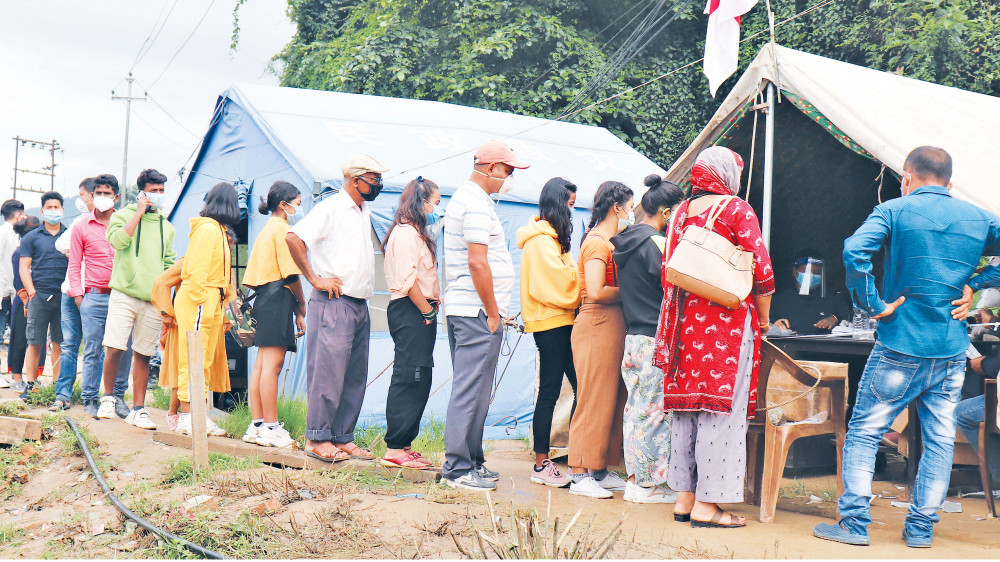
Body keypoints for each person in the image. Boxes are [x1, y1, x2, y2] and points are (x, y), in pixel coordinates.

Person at [813, 146, 1000, 548]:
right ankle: (920, 530)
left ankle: (854, 525)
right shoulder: (980, 217)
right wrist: (977, 284)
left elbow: (855, 250)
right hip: (950, 349)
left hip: (901, 343)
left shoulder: (893, 210)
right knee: (940, 440)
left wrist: (873, 304)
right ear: (950, 182)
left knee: (865, 432)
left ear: (906, 177)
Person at [654, 146, 774, 528]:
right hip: (726, 327)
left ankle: (685, 499)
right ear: (727, 176)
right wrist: (764, 320)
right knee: (721, 411)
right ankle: (708, 506)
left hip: (682, 328)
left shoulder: (679, 213)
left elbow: (669, 271)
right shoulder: (736, 209)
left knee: (687, 410)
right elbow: (762, 270)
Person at [286, 154, 389, 463]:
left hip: (358, 303)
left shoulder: (362, 210)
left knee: (354, 375)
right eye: (374, 178)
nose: (378, 184)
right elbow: (293, 237)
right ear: (355, 180)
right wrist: (313, 277)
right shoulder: (331, 208)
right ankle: (317, 439)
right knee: (327, 374)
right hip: (333, 301)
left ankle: (342, 437)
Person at [439, 140, 529, 491]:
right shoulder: (474, 203)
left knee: (478, 390)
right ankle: (457, 468)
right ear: (491, 168)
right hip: (476, 311)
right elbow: (477, 262)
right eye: (508, 170)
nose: (510, 178)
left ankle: (472, 460)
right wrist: (492, 313)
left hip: (474, 309)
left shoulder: (476, 200)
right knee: (469, 389)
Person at [612, 174, 685, 503]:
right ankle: (648, 486)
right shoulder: (658, 244)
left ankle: (634, 481)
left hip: (633, 340)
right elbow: (675, 289)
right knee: (655, 413)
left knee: (636, 411)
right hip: (656, 339)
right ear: (666, 213)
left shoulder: (625, 241)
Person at [565, 181, 633, 499]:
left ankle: (600, 470)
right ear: (616, 208)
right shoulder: (596, 244)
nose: (631, 213)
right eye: (629, 207)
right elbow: (595, 291)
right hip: (597, 322)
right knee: (593, 399)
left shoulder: (609, 242)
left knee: (611, 400)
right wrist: (633, 292)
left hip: (612, 324)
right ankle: (580, 474)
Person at [96, 169, 177, 421]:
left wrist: (165, 301)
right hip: (124, 293)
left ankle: (138, 409)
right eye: (153, 190)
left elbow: (168, 264)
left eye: (161, 190)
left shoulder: (166, 226)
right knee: (114, 348)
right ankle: (108, 399)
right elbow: (118, 242)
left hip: (151, 300)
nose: (158, 195)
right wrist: (138, 214)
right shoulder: (122, 215)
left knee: (143, 355)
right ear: (141, 193)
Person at [515, 177, 580, 488]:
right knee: (550, 393)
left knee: (580, 388)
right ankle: (542, 464)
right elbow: (558, 282)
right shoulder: (541, 241)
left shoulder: (552, 238)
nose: (572, 211)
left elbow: (568, 275)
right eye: (570, 204)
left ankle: (580, 460)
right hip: (551, 323)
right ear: (558, 204)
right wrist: (581, 277)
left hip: (561, 321)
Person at [52, 176, 133, 416]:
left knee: (122, 349)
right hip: (93, 296)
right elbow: (75, 264)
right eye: (98, 193)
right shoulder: (82, 226)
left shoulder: (126, 223)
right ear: (92, 195)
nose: (102, 197)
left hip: (122, 296)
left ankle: (118, 397)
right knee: (92, 350)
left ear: (116, 197)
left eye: (107, 193)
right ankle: (90, 398)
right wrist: (79, 296)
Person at [381, 177, 442, 469]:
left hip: (420, 308)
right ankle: (395, 448)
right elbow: (409, 281)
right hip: (412, 309)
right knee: (410, 375)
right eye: (435, 203)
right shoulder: (405, 234)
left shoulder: (416, 233)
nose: (436, 209)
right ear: (422, 202)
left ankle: (405, 444)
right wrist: (427, 312)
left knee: (421, 376)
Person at [241, 181, 306, 448]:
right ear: (284, 204)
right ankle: (271, 426)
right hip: (278, 298)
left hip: (263, 298)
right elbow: (292, 275)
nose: (299, 209)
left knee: (261, 364)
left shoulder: (266, 228)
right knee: (273, 366)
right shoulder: (283, 230)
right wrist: (301, 305)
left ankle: (257, 425)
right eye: (298, 203)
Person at [171, 182, 239, 436]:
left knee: (205, 359)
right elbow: (197, 271)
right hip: (199, 300)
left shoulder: (218, 231)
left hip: (211, 300)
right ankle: (188, 416)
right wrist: (201, 301)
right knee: (193, 357)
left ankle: (198, 414)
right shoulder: (208, 230)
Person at [18, 191, 68, 400]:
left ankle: (57, 386)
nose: (53, 211)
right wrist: (32, 294)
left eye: (56, 207)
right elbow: (24, 267)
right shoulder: (31, 237)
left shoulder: (70, 235)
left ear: (63, 210)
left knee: (59, 342)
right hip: (39, 296)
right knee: (34, 341)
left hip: (64, 298)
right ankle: (31, 385)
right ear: (42, 210)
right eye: (49, 207)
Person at [769, 252, 853, 334]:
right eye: (805, 271)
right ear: (795, 271)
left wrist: (835, 319)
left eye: (817, 273)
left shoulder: (832, 298)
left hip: (825, 342)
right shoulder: (780, 299)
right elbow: (767, 321)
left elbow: (850, 317)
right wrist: (776, 323)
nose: (810, 276)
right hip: (788, 342)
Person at [8, 217, 40, 390]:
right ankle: (17, 378)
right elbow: (19, 280)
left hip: (36, 299)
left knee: (35, 340)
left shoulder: (36, 251)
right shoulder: (19, 252)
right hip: (24, 301)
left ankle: (33, 377)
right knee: (20, 339)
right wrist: (27, 301)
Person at [0, 199, 25, 389]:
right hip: (3, 292)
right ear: (17, 215)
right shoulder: (4, 232)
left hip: (11, 291)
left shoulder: (15, 233)